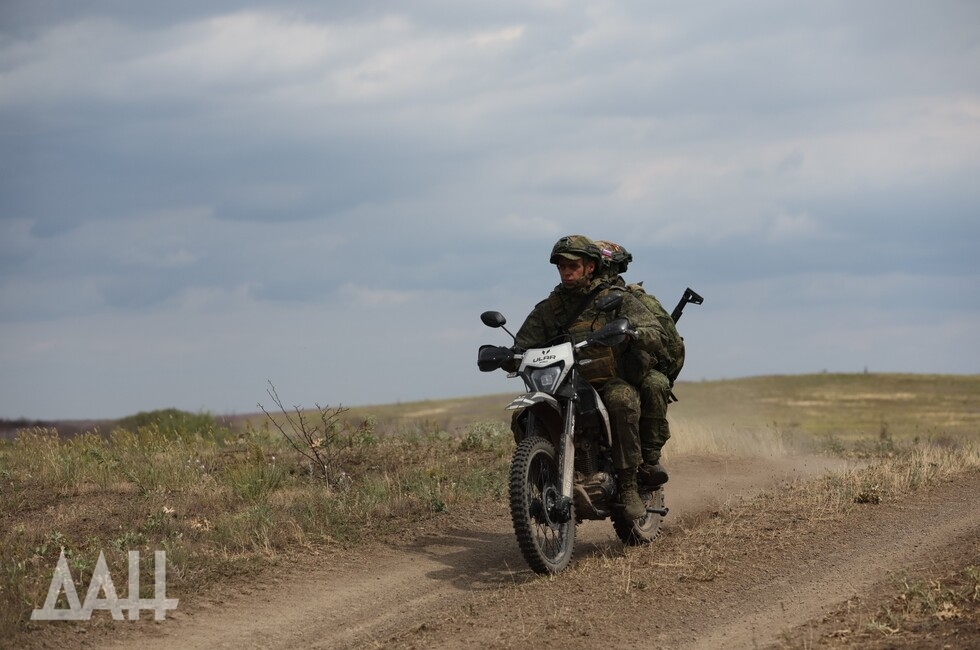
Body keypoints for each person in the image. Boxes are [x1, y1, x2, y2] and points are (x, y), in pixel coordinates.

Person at [511, 235, 669, 520]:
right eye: (561, 266)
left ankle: (630, 486)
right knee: (523, 416)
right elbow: (523, 342)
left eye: (573, 265)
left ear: (590, 267)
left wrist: (633, 332)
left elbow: (655, 332)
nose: (567, 271)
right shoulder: (552, 307)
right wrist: (507, 354)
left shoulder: (615, 298)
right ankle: (543, 479)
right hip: (564, 382)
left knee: (622, 400)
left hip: (609, 380)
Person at [594, 240, 684, 487]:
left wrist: (638, 342)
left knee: (655, 384)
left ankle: (648, 461)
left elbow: (671, 346)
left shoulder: (633, 299)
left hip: (629, 373)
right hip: (584, 372)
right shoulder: (568, 301)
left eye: (601, 267)